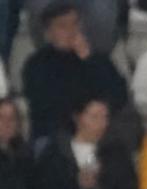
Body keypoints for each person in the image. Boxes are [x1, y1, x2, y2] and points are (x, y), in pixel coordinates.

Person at [32, 96, 137, 189]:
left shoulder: (116, 152)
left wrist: (104, 178)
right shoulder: (56, 153)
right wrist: (76, 184)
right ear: (78, 117)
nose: (101, 123)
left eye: (104, 117)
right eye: (94, 117)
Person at [20, 2, 129, 144]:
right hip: (54, 139)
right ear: (48, 33)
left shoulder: (97, 59)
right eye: (62, 26)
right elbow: (45, 107)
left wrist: (89, 60)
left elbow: (119, 95)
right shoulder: (36, 64)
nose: (71, 31)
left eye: (75, 24)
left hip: (96, 134)